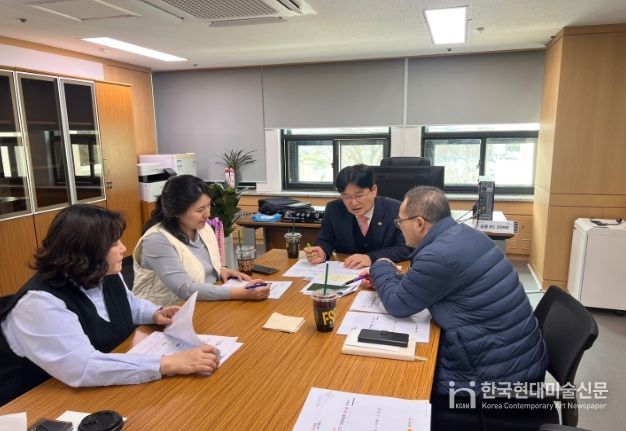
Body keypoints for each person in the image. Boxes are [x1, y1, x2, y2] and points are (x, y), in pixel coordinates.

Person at [364, 186, 547, 429]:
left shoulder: (437, 255)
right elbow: (434, 283)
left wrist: (381, 265)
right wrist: (396, 279)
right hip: (517, 359)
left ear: (419, 224)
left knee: (403, 378)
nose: (399, 227)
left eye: (400, 222)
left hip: (495, 379)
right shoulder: (465, 234)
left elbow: (397, 304)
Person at [0, 205, 220, 406]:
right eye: (114, 243)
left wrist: (155, 313)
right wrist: (168, 363)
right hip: (35, 400)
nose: (124, 248)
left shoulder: (101, 272)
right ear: (86, 251)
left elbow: (127, 303)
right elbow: (82, 366)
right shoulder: (39, 303)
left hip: (94, 388)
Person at [133, 175, 269, 306]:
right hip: (165, 313)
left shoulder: (203, 228)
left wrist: (221, 270)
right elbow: (184, 288)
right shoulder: (156, 240)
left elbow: (199, 266)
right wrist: (242, 293)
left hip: (202, 305)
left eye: (208, 206)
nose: (207, 214)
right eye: (200, 210)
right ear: (177, 211)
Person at [304, 164, 411, 269]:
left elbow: (405, 248)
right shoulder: (334, 209)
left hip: (384, 272)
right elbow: (325, 240)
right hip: (346, 271)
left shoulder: (396, 210)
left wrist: (370, 258)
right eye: (347, 197)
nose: (353, 202)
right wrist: (322, 252)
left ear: (374, 190)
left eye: (359, 195)